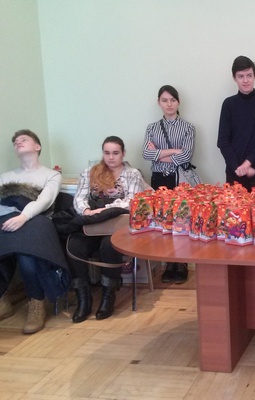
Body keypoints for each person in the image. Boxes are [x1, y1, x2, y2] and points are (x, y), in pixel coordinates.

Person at [67, 136, 146, 322]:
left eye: (115, 153)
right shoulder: (90, 172)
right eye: (107, 153)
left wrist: (105, 210)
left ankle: (108, 296)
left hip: (117, 225)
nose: (111, 157)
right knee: (74, 246)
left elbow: (133, 201)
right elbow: (79, 198)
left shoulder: (132, 174)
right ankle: (83, 298)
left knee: (109, 246)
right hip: (92, 223)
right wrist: (87, 211)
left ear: (123, 153)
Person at [0, 129, 69, 334]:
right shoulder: (5, 177)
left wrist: (23, 217)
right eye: (15, 142)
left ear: (37, 147)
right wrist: (11, 217)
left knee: (27, 255)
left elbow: (45, 200)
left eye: (24, 139)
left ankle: (36, 302)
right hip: (8, 219)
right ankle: (2, 300)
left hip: (38, 221)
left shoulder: (51, 175)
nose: (18, 142)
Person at [143, 84, 196, 283]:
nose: (169, 104)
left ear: (178, 102)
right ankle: (168, 263)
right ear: (159, 103)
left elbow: (186, 156)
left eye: (172, 100)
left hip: (179, 178)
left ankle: (181, 264)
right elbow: (146, 153)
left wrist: (159, 154)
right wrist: (174, 151)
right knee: (163, 220)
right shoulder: (152, 128)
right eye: (164, 100)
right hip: (158, 178)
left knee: (181, 219)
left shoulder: (188, 128)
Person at [217, 55, 255, 191]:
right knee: (232, 206)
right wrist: (238, 167)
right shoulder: (228, 104)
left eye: (249, 75)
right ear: (234, 78)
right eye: (241, 76)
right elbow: (222, 141)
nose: (246, 80)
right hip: (234, 173)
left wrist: (248, 163)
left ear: (254, 76)